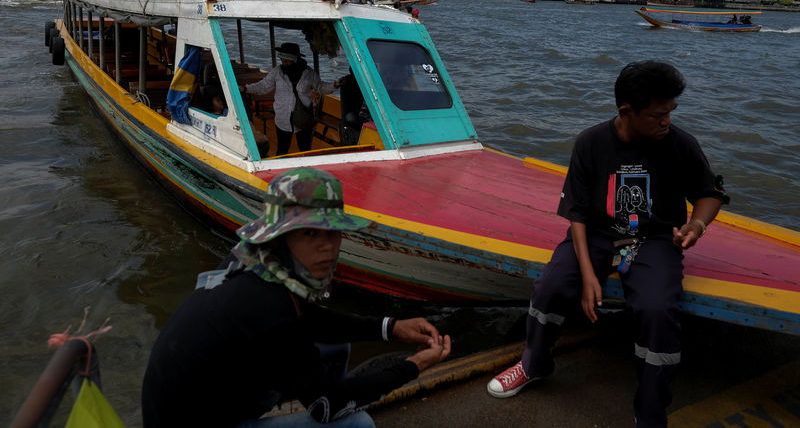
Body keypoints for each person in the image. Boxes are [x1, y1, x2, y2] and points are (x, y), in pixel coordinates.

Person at [487, 61, 729, 428]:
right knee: (550, 287)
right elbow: (578, 213)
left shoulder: (679, 144)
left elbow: (708, 194)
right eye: (657, 115)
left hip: (654, 240)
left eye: (670, 113)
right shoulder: (591, 143)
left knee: (656, 309)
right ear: (626, 112)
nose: (666, 121)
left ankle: (649, 411)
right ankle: (534, 364)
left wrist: (696, 224)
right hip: (598, 235)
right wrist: (587, 275)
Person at [142, 167, 452, 428]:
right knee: (357, 425)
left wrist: (390, 326)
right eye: (309, 233)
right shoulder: (268, 304)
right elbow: (325, 406)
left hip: (205, 397)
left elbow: (305, 319)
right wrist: (414, 365)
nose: (327, 247)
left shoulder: (255, 264)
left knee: (336, 347)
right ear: (281, 236)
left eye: (332, 232)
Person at [242, 42, 339, 156]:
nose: (284, 64)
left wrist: (334, 85)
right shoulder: (277, 71)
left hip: (304, 117)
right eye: (282, 61)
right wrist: (246, 89)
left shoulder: (308, 73)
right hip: (283, 117)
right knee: (282, 149)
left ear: (295, 60)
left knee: (305, 149)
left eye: (287, 61)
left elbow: (320, 87)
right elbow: (263, 86)